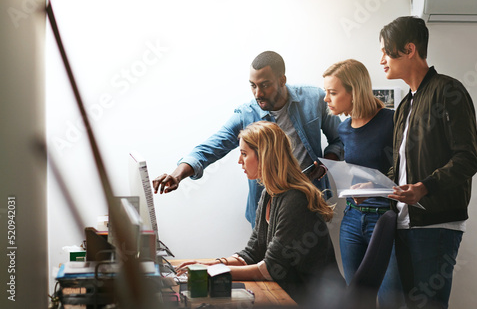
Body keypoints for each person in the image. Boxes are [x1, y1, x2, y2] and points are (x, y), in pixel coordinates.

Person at [153, 51, 343, 227]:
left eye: (265, 85)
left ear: (282, 80)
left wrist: (326, 164)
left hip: (309, 202)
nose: (258, 93)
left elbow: (339, 140)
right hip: (268, 211)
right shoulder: (246, 114)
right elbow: (211, 147)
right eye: (253, 86)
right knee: (266, 261)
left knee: (310, 260)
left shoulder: (315, 98)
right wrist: (177, 175)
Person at [176, 121, 344, 304]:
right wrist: (214, 264)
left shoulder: (295, 199)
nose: (239, 161)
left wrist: (214, 272)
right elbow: (252, 252)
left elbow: (271, 269)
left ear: (264, 156)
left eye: (244, 154)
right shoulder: (269, 193)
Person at [380, 16, 477, 308]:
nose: (382, 59)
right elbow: (399, 166)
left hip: (435, 226)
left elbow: (467, 158)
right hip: (400, 223)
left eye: (386, 51)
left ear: (409, 49)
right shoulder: (403, 105)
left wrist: (424, 187)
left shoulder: (450, 91)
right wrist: (375, 185)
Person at [323, 59, 405, 308]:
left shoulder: (392, 121)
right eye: (326, 92)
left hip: (384, 221)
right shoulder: (344, 129)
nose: (326, 99)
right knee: (356, 301)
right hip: (351, 221)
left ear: (354, 91)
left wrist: (374, 188)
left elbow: (407, 173)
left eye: (333, 93)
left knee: (390, 300)